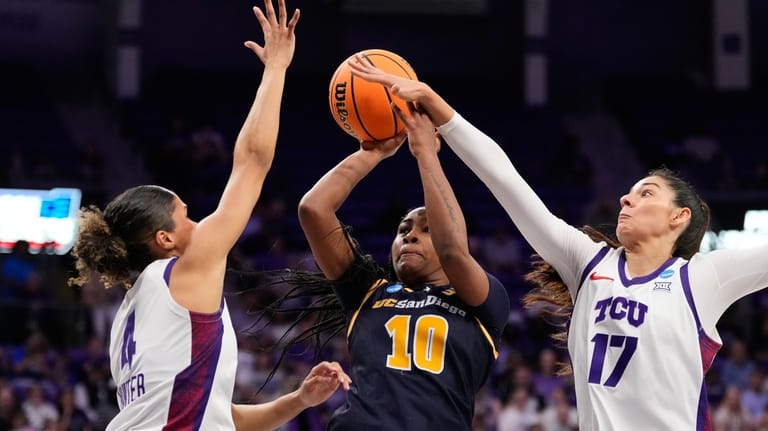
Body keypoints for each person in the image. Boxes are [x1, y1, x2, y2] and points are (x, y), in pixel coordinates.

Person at [347, 56, 768, 429]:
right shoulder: (587, 262)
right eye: (630, 191)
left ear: (680, 217)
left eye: (646, 194)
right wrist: (437, 106)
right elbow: (506, 180)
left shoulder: (702, 277)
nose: (626, 197)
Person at [67, 1, 351, 429]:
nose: (198, 222)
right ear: (165, 239)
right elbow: (252, 161)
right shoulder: (186, 267)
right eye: (185, 215)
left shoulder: (125, 321)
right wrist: (276, 67)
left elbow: (216, 418)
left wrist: (298, 400)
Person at [294, 94, 509, 429]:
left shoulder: (484, 300)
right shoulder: (368, 292)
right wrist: (373, 153)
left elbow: (453, 250)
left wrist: (426, 154)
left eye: (425, 229)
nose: (409, 236)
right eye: (403, 230)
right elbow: (313, 209)